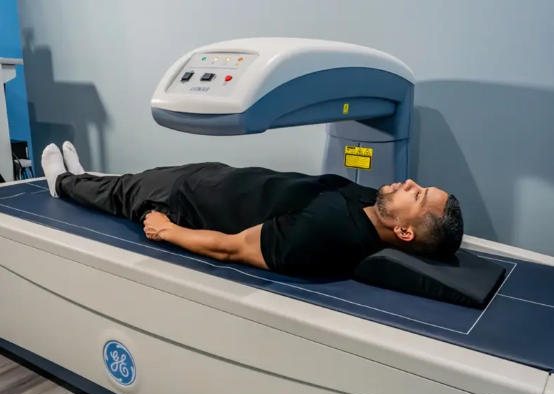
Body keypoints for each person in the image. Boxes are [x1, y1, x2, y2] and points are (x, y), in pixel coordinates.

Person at [41, 142, 464, 278]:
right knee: (131, 180)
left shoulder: (329, 235)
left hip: (187, 203)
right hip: (217, 178)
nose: (411, 184)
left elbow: (234, 249)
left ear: (405, 232)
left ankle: (62, 184)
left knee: (123, 195)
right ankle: (83, 177)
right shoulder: (376, 203)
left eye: (418, 196)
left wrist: (167, 230)